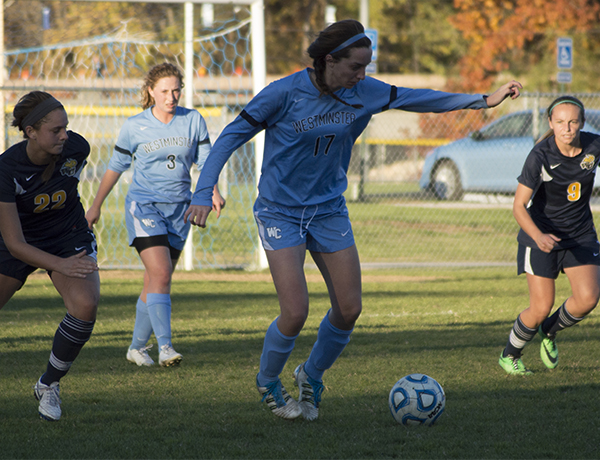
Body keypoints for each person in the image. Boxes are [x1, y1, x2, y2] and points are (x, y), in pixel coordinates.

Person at [184, 19, 522, 420]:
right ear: (329, 61)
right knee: (295, 312)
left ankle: (311, 375)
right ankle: (268, 382)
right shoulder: (284, 93)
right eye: (355, 67)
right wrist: (203, 190)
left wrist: (483, 100)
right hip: (280, 210)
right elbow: (228, 138)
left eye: (367, 67)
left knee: (349, 309)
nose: (362, 75)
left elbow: (418, 97)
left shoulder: (366, 91)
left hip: (329, 209)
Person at [86, 62, 224, 368]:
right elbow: (115, 167)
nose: (171, 96)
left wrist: (212, 191)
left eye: (176, 90)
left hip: (180, 210)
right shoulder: (135, 126)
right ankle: (165, 348)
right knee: (161, 273)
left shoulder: (194, 121)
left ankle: (137, 348)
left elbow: (206, 162)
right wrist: (95, 206)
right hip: (144, 206)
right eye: (164, 91)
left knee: (156, 280)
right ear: (151, 91)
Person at [0, 91, 100, 421]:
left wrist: (67, 255)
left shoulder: (76, 148)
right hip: (21, 239)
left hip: (67, 233)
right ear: (30, 131)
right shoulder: (7, 169)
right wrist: (61, 265)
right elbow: (15, 244)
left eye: (65, 127)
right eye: (55, 130)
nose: (64, 135)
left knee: (85, 306)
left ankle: (48, 384)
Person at [499, 95, 600, 375]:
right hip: (540, 236)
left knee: (588, 299)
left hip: (580, 234)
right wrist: (539, 236)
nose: (566, 128)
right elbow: (519, 207)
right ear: (550, 123)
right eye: (560, 122)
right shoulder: (540, 156)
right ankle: (510, 354)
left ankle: (549, 332)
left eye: (572, 122)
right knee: (541, 306)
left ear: (581, 122)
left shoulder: (593, 145)